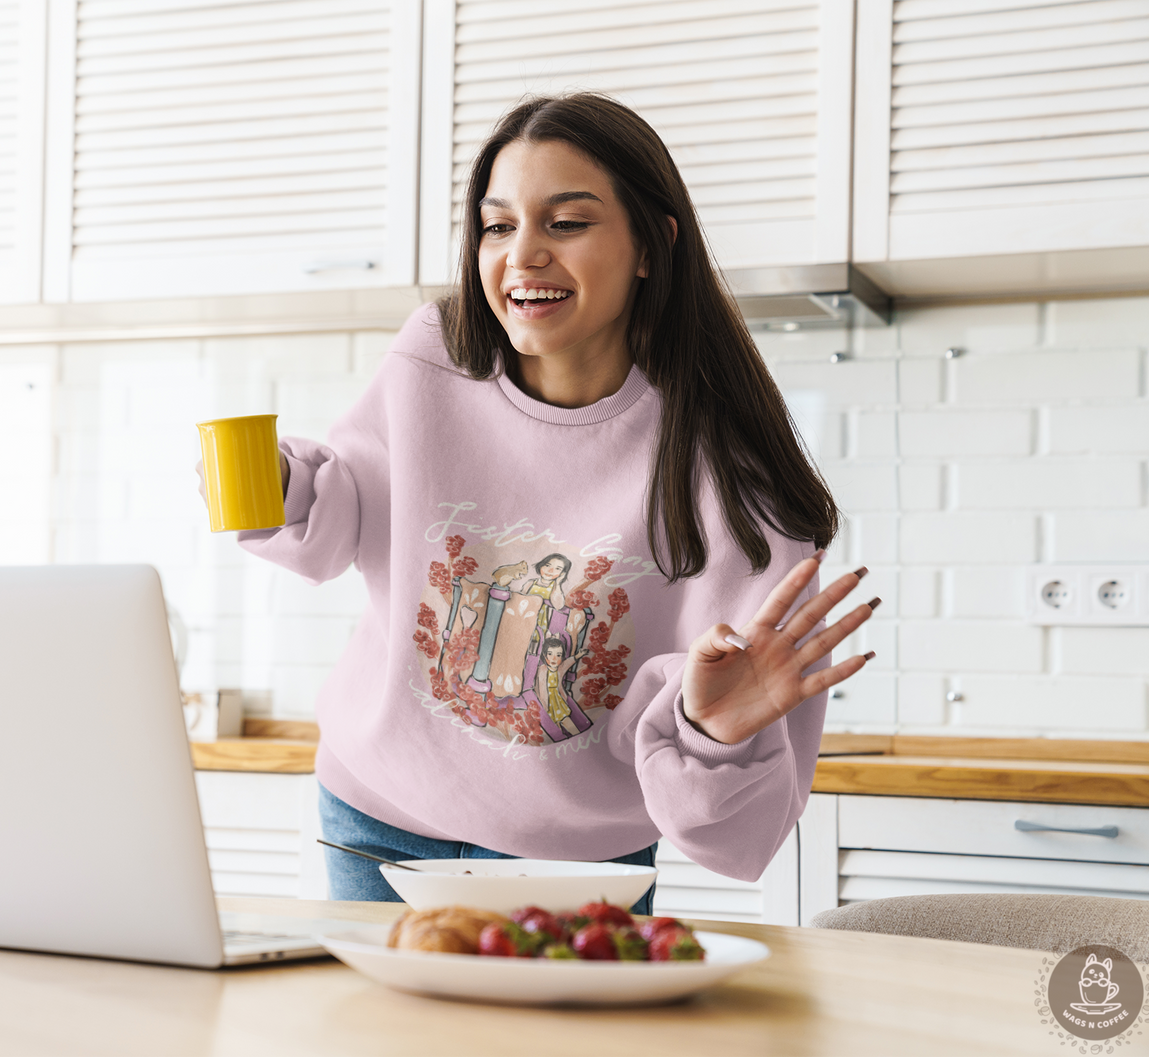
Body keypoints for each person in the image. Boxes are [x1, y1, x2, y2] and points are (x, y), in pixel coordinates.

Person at [215, 94, 878, 913]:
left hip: (575, 868)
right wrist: (272, 486)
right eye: (497, 226)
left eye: (565, 223)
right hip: (372, 819)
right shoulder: (438, 354)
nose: (522, 254)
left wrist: (712, 733)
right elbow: (340, 513)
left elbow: (738, 831)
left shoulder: (733, 480)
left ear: (650, 244)